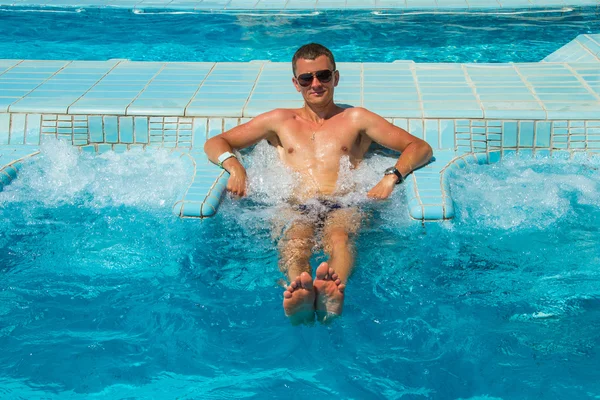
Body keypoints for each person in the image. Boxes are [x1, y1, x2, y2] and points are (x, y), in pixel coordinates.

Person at [204, 43, 433, 324]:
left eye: (323, 76)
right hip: (294, 204)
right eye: (306, 78)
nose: (316, 84)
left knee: (340, 237)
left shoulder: (356, 119)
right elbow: (216, 142)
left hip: (345, 202)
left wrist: (392, 176)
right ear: (296, 83)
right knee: (296, 239)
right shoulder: (280, 120)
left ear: (335, 78)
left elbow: (419, 147)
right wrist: (234, 165)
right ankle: (299, 291)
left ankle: (332, 293)